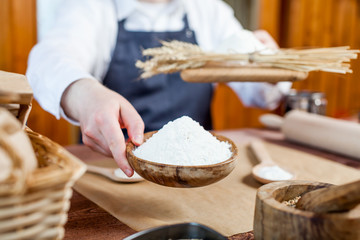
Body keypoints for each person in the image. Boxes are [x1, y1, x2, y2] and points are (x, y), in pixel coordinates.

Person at [26, 0, 291, 177]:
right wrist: (84, 94)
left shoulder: (208, 9)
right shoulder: (93, 7)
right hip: (118, 171)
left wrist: (268, 64)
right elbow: (48, 59)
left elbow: (261, 93)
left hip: (199, 170)